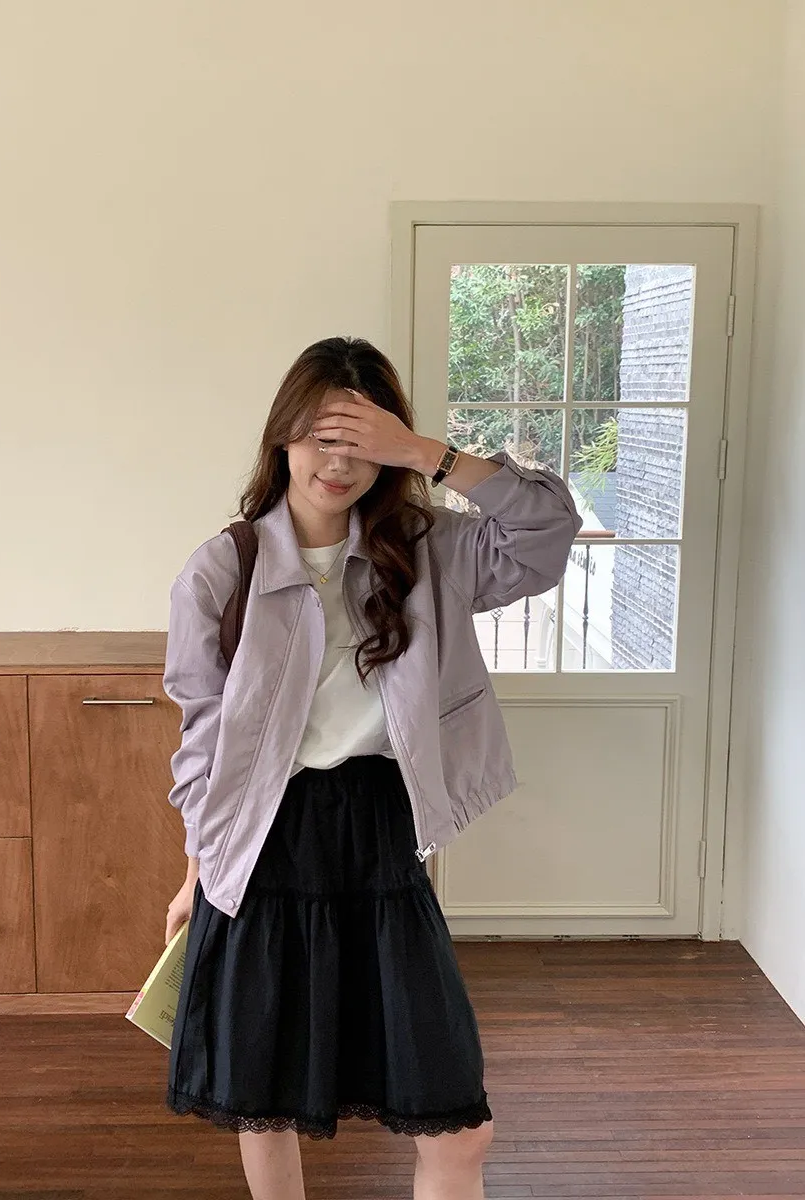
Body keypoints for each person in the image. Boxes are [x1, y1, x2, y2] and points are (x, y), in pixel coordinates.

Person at [160, 336, 582, 1200]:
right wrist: (200, 867)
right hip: (263, 842)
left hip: (381, 834)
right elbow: (202, 742)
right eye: (322, 437)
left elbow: (545, 534)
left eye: (363, 442)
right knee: (266, 1103)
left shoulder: (428, 551)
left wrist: (431, 456)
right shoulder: (224, 569)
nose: (339, 462)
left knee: (459, 1124)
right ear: (283, 436)